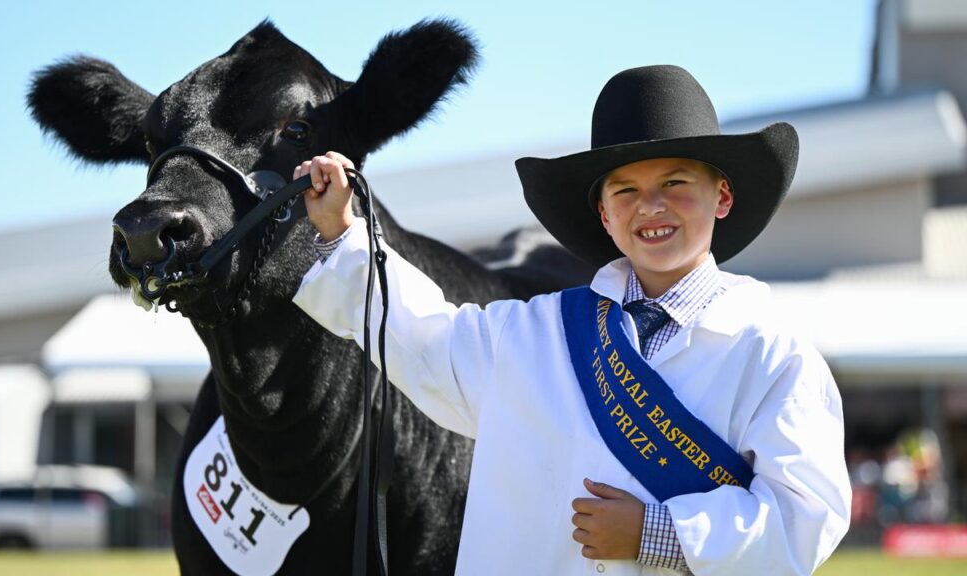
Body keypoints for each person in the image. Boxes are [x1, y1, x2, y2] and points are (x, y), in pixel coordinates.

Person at [293, 65, 852, 575]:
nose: (651, 206)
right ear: (605, 215)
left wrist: (657, 534)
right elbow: (425, 339)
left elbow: (805, 521)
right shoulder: (537, 333)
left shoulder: (774, 354)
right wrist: (343, 236)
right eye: (626, 190)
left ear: (722, 196)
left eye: (675, 183)